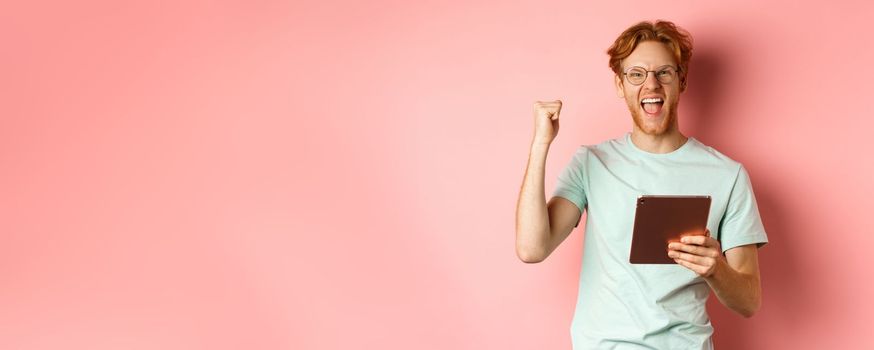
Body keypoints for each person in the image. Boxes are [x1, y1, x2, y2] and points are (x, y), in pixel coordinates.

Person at [514, 20, 768, 349]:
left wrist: (715, 269)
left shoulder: (728, 175)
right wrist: (540, 145)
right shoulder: (592, 163)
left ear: (682, 81)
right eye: (636, 74)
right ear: (620, 85)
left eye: (664, 72)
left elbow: (748, 302)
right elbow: (532, 248)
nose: (651, 85)